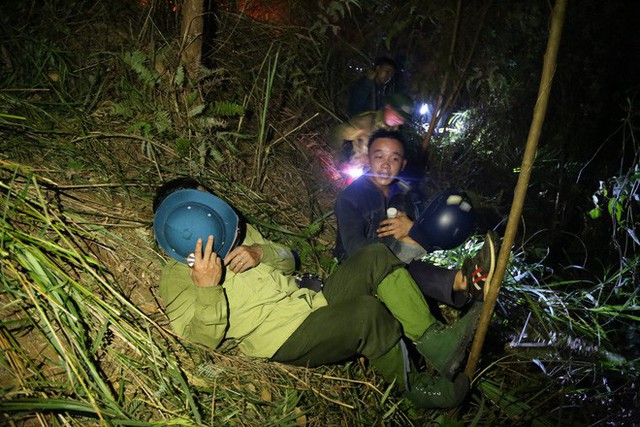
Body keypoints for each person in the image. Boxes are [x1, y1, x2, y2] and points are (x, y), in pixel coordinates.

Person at [153, 177, 493, 409]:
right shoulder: (177, 275)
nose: (213, 205)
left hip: (312, 302)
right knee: (366, 313)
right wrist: (208, 290)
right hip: (282, 336)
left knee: (375, 255)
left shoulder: (238, 231)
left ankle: (436, 341)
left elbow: (288, 260)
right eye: (202, 202)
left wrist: (262, 253)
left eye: (209, 197)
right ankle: (415, 387)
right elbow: (198, 343)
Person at [333, 129, 498, 308]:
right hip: (356, 270)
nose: (386, 165)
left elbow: (427, 239)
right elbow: (353, 249)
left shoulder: (406, 197)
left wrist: (411, 230)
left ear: (403, 164)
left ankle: (466, 282)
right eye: (379, 156)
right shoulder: (351, 197)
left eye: (394, 159)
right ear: (368, 158)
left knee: (411, 260)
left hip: (397, 268)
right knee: (399, 270)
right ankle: (463, 282)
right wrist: (399, 248)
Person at [329, 92, 413, 175]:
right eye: (397, 114)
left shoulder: (394, 134)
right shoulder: (366, 122)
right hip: (355, 170)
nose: (400, 120)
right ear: (388, 106)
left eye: (403, 119)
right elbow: (337, 134)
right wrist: (339, 159)